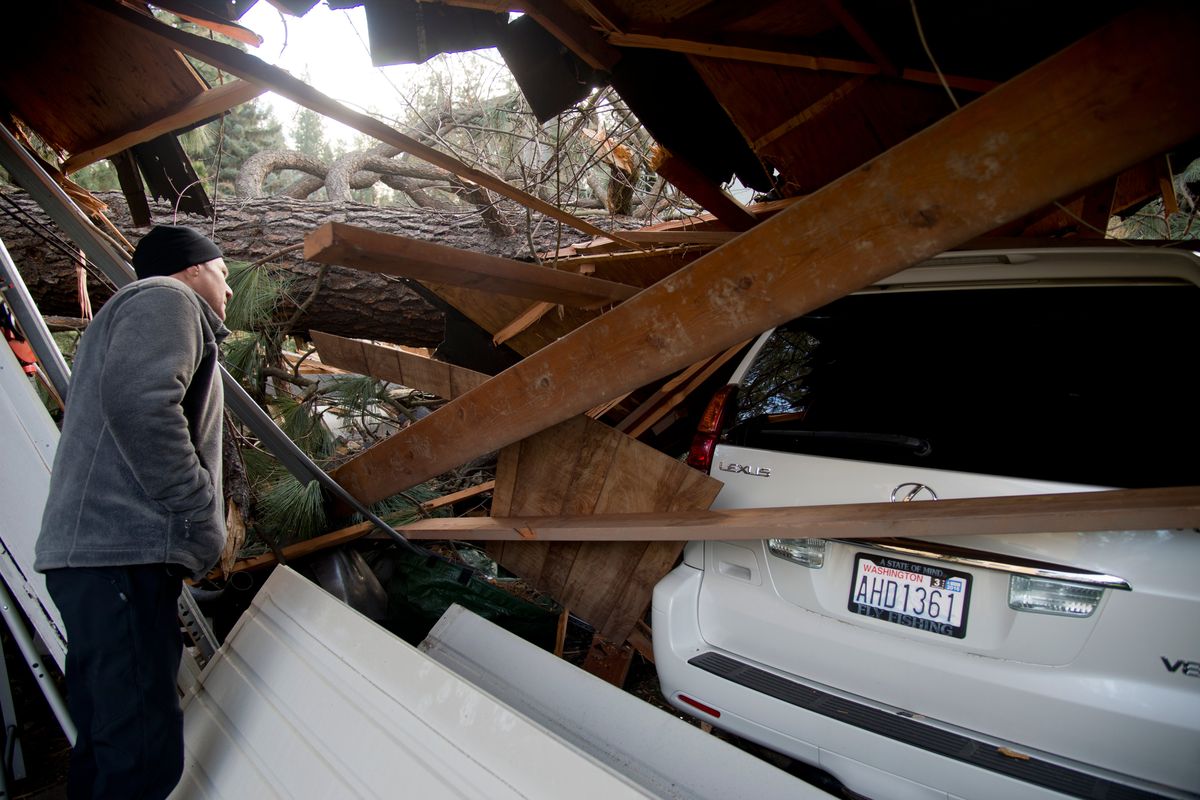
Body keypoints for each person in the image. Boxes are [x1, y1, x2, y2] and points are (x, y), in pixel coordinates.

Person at [34, 224, 233, 799]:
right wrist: (199, 509)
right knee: (141, 760)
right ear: (193, 268)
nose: (229, 290)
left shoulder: (134, 312)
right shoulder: (166, 300)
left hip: (98, 561)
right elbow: (142, 405)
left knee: (107, 743)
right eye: (223, 274)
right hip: (121, 555)